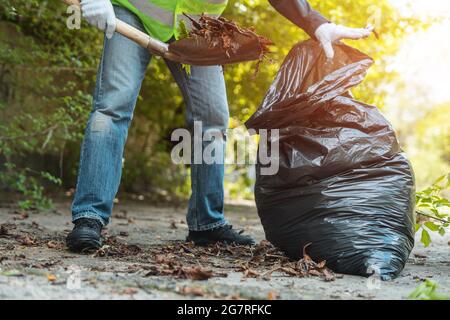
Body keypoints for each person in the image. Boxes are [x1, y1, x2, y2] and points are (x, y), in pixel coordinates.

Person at [66, 0, 372, 252]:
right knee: (112, 107)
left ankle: (206, 222)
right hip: (132, 10)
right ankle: (90, 216)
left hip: (196, 24)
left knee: (212, 117)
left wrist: (317, 23)